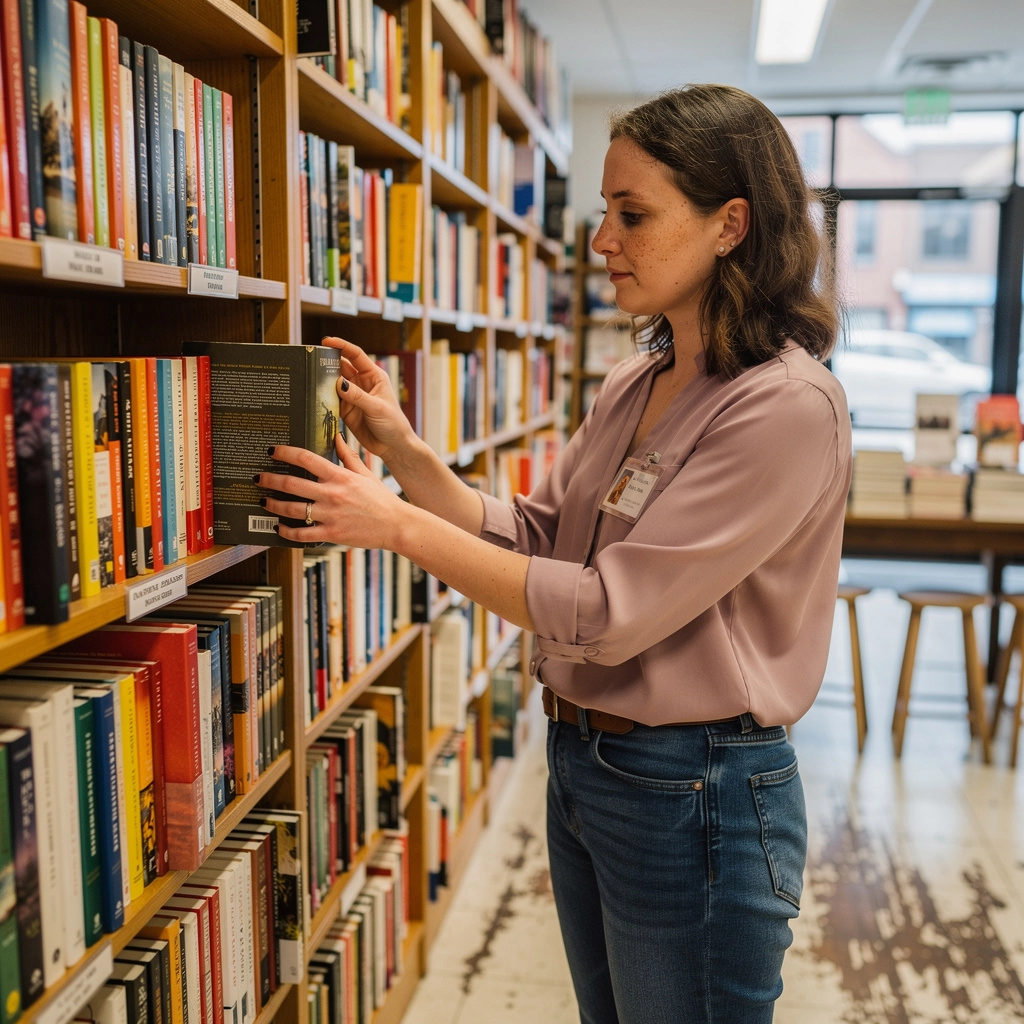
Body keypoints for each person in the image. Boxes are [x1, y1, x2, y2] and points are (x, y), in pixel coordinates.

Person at [255, 83, 851, 1024]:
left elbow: (609, 614)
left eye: (633, 215)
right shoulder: (634, 380)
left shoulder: (785, 405)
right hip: (586, 766)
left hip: (695, 789)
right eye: (603, 212)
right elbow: (540, 540)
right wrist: (405, 456)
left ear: (730, 224)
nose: (600, 242)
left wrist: (395, 525)